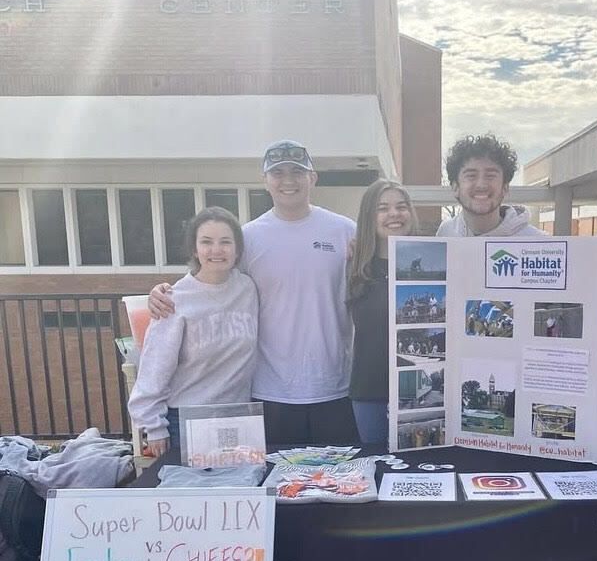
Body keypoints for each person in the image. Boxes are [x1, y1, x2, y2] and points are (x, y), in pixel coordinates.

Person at [148, 139, 359, 445]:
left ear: (313, 178)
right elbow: (211, 276)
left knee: (339, 483)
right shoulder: (248, 237)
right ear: (265, 181)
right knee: (278, 488)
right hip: (268, 392)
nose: (288, 180)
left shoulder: (345, 231)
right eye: (278, 173)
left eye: (297, 172)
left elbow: (375, 276)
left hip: (336, 387)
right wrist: (167, 293)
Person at [128, 207, 258, 456]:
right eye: (206, 242)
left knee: (240, 489)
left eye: (225, 242)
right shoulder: (174, 300)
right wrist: (155, 428)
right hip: (188, 421)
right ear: (194, 249)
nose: (216, 250)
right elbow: (153, 371)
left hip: (240, 418)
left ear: (238, 249)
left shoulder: (248, 289)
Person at [347, 179, 418, 445]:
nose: (394, 214)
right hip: (369, 391)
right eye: (383, 208)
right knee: (376, 470)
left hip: (419, 390)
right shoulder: (353, 267)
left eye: (401, 206)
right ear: (369, 216)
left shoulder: (431, 262)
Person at [437, 133, 546, 237]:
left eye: (490, 175)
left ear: (505, 187)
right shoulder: (445, 233)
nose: (481, 185)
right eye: (471, 175)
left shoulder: (538, 242)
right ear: (455, 188)